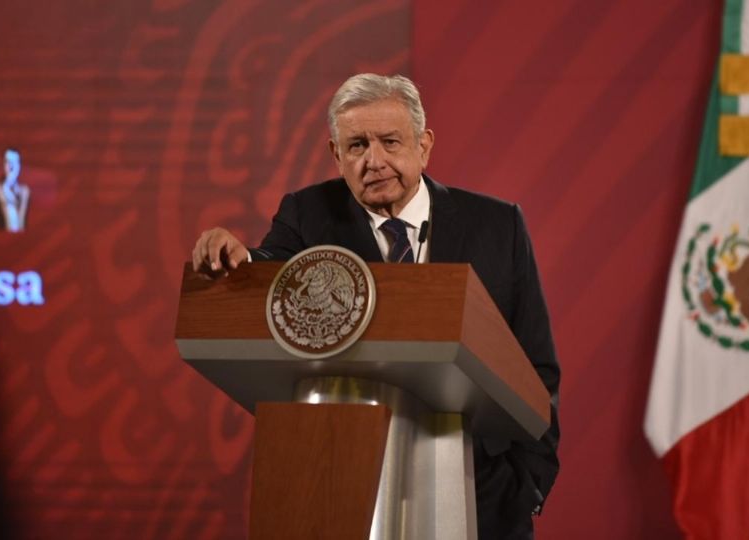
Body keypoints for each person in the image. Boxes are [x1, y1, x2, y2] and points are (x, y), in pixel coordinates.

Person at [192, 73, 560, 538]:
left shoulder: (496, 225)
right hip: (342, 484)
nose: (375, 161)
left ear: (424, 146)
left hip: (480, 490)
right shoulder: (308, 214)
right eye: (357, 146)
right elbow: (275, 270)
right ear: (335, 155)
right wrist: (239, 260)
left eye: (390, 142)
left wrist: (528, 485)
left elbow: (536, 364)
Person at [0, 149, 29, 232]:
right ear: (2, 165)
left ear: (19, 165)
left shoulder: (24, 191)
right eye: (8, 162)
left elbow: (22, 222)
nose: (11, 167)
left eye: (15, 162)